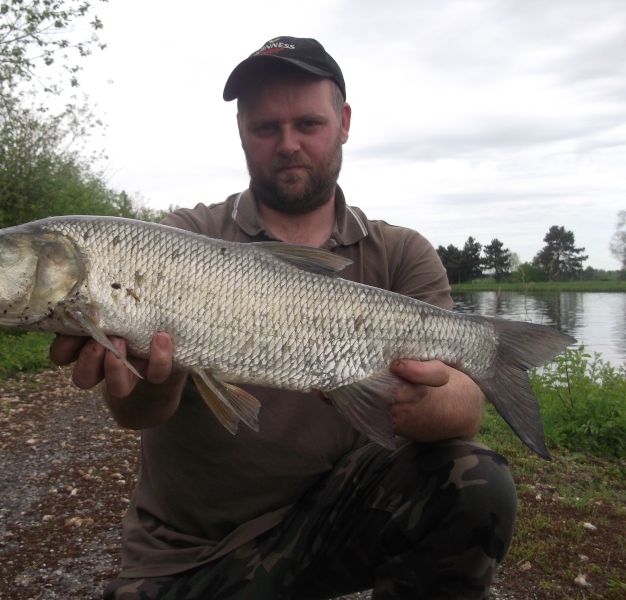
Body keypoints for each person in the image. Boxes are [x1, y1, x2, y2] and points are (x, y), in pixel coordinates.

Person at [50, 36, 518, 600]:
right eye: (266, 128)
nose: (288, 144)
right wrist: (160, 370)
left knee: (475, 480)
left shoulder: (401, 253)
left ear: (344, 122)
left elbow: (464, 410)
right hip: (193, 549)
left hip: (340, 517)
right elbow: (137, 412)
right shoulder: (180, 241)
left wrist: (411, 398)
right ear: (242, 131)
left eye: (308, 124)